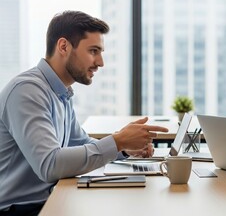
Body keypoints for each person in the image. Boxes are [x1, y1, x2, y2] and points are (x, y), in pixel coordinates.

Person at [0, 11, 169, 215]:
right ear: (64, 46)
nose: (100, 62)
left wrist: (124, 149)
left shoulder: (61, 92)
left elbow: (81, 143)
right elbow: (50, 164)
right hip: (18, 210)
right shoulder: (27, 90)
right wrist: (118, 141)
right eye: (93, 51)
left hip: (50, 200)